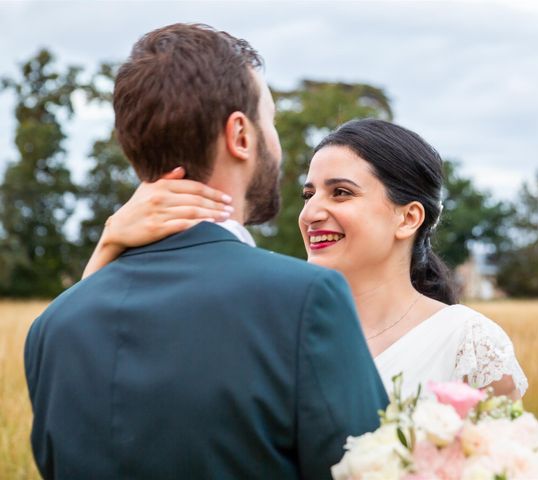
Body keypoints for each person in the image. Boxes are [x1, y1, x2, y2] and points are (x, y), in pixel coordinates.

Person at [24, 23, 388, 480]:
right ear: (240, 135)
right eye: (268, 121)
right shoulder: (305, 299)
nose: (274, 142)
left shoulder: (52, 328)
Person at [86, 118, 528, 399]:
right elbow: (104, 355)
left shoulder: (469, 345)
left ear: (408, 217)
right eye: (308, 194)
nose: (312, 212)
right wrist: (109, 243)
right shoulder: (270, 328)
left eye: (341, 192)